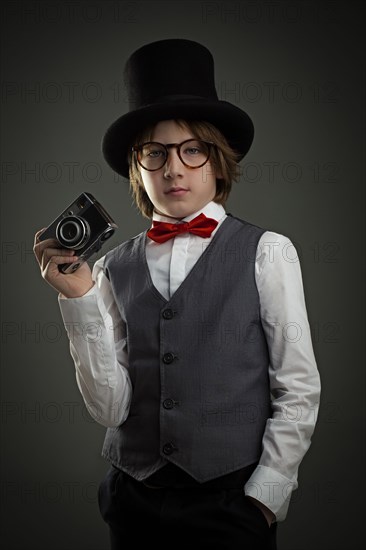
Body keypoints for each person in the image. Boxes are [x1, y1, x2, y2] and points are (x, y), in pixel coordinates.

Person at [33, 39, 321, 550]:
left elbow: (296, 389)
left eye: (192, 149)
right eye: (155, 152)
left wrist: (265, 498)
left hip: (232, 502)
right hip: (134, 499)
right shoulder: (110, 267)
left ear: (218, 159)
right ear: (137, 166)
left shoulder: (268, 251)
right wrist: (78, 299)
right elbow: (111, 410)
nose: (173, 168)